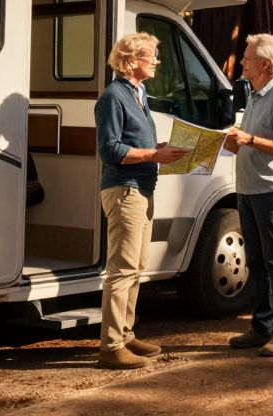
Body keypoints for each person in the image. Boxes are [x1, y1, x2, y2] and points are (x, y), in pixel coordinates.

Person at [95, 32, 188, 369]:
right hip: (125, 189)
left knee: (136, 267)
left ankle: (126, 334)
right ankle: (111, 347)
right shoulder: (113, 97)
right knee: (121, 270)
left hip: (141, 187)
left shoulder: (137, 93)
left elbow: (135, 142)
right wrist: (155, 154)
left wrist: (161, 149)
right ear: (133, 60)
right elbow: (109, 150)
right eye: (152, 57)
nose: (156, 62)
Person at [224, 34, 273, 357]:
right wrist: (231, 142)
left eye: (248, 57)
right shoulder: (253, 95)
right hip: (248, 190)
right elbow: (247, 141)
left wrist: (249, 139)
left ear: (265, 64)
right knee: (255, 261)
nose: (242, 61)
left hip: (271, 191)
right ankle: (261, 327)